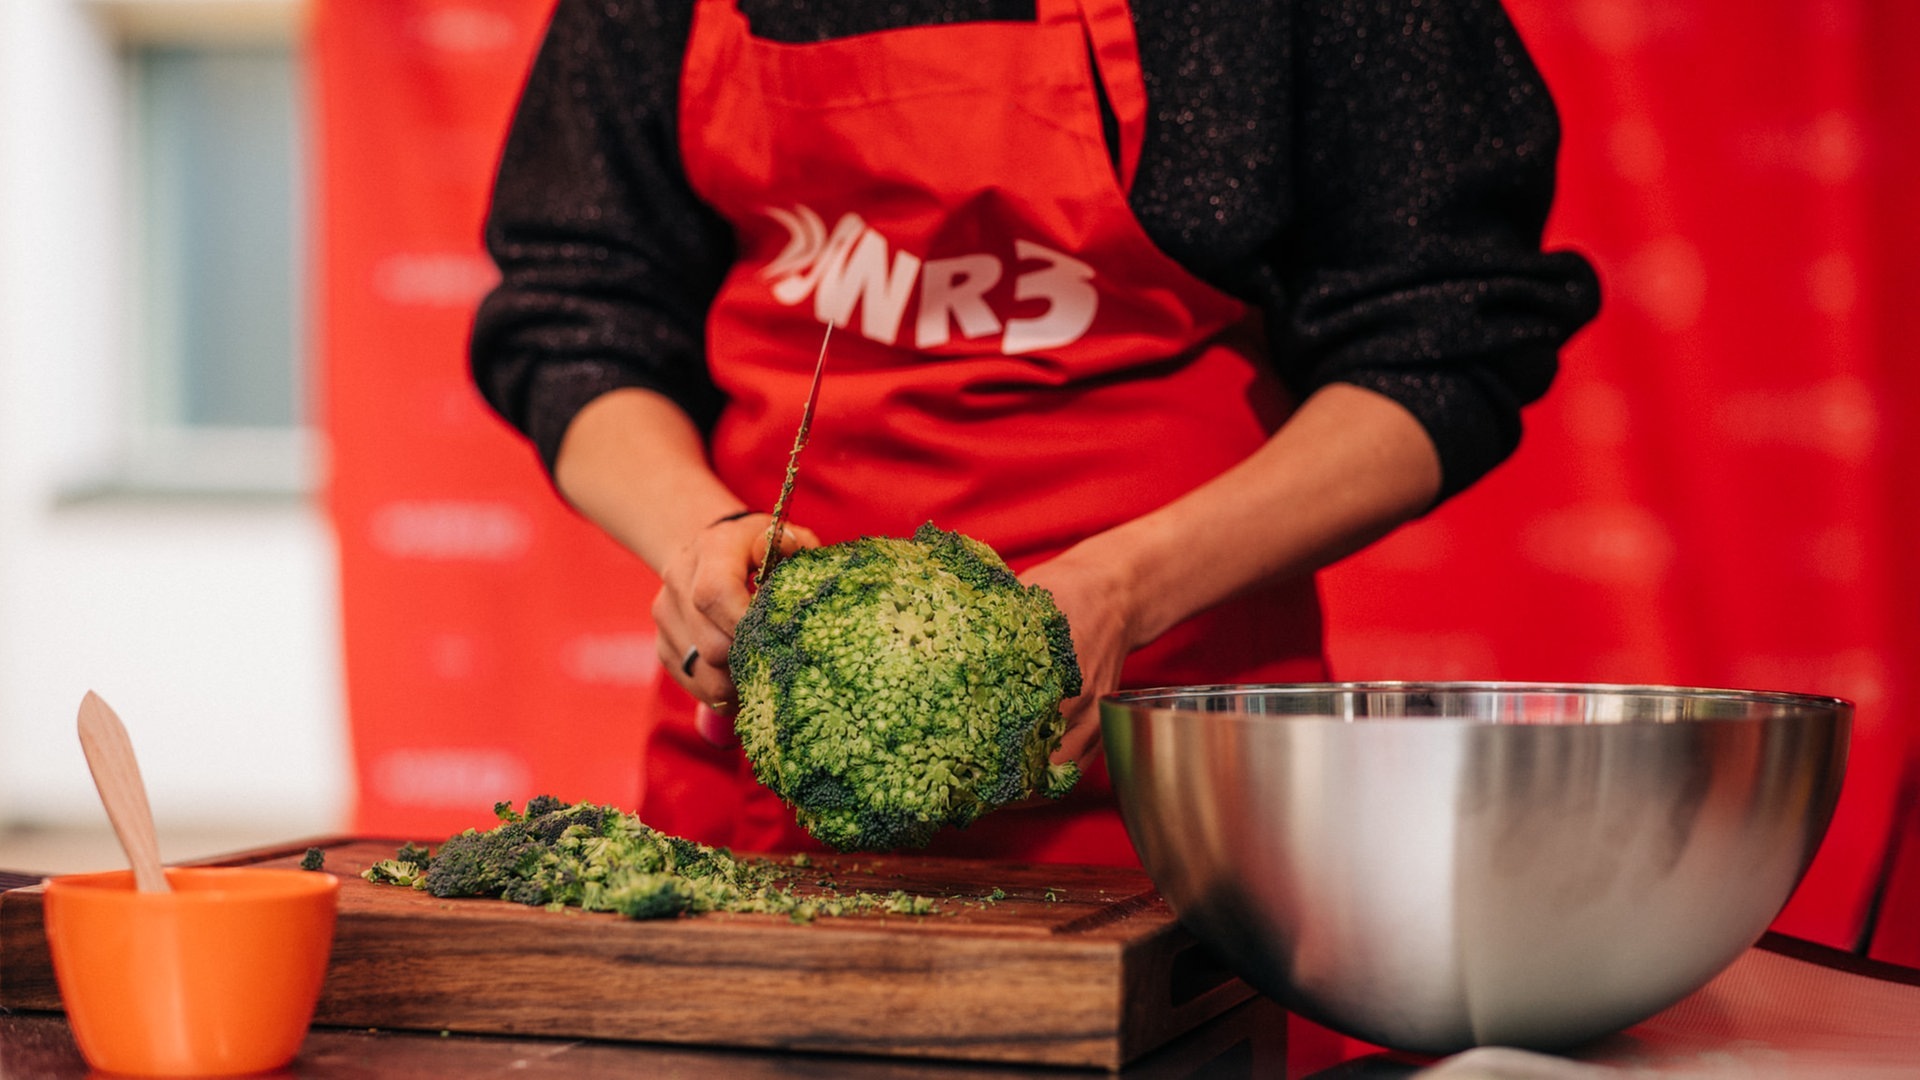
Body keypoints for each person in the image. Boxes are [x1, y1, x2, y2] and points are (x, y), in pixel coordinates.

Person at [469, 0, 1601, 865]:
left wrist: (1127, 587)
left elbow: (1447, 331)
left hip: (1179, 793)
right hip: (764, 797)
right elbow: (578, 315)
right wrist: (699, 538)